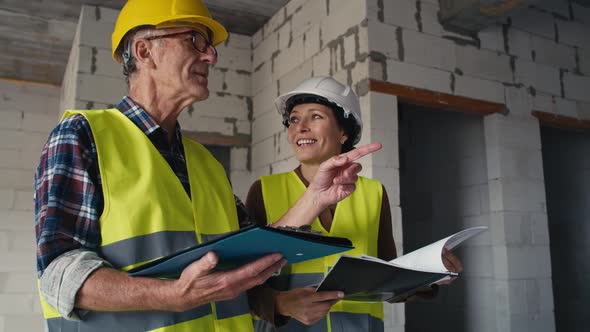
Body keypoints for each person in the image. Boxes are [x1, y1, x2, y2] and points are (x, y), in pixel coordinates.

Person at [33, 1, 382, 331]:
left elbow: (252, 251)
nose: (211, 55)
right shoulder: (84, 135)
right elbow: (60, 275)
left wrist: (314, 199)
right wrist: (173, 296)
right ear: (144, 51)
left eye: (210, 45)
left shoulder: (204, 162)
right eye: (195, 39)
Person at [246, 77, 463, 331]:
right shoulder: (264, 190)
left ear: (343, 132)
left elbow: (389, 278)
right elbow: (241, 282)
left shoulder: (374, 193)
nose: (301, 127)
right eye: (294, 119)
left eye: (315, 116)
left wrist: (431, 275)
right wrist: (281, 305)